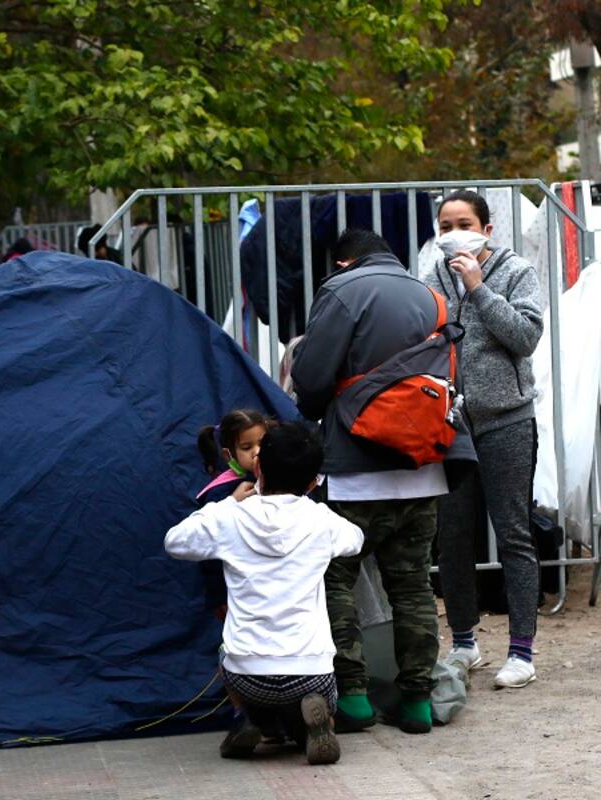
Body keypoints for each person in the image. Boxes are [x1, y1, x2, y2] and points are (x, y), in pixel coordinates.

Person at [290, 228, 452, 735]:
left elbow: (312, 379)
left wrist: (314, 412)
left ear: (342, 262)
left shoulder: (341, 291)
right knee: (412, 586)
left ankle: (355, 698)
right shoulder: (433, 296)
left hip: (356, 471)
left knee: (336, 579)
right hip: (423, 468)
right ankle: (418, 702)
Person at [165, 422, 364, 766]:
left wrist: (226, 504)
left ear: (257, 467)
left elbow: (176, 541)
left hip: (247, 673)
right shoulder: (321, 520)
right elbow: (356, 539)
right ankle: (320, 720)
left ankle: (253, 718)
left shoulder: (231, 518)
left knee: (227, 653)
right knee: (318, 693)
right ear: (314, 482)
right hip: (310, 671)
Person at [426, 190, 543, 689]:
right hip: (450, 425)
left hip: (506, 419)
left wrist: (477, 287)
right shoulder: (430, 277)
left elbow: (524, 337)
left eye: (465, 222)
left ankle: (522, 652)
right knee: (452, 536)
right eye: (446, 224)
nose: (455, 232)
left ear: (487, 229)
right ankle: (464, 642)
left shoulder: (516, 271)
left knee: (514, 533)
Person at [195, 409, 270, 506]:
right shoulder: (221, 491)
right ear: (227, 455)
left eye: (263, 443)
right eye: (246, 448)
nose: (257, 452)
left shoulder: (283, 468)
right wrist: (233, 501)